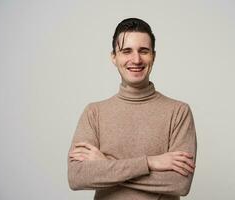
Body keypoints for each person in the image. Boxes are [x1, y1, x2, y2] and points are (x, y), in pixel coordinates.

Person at [68, 18, 197, 200]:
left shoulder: (178, 112)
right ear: (114, 57)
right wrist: (150, 162)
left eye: (143, 51)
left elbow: (179, 184)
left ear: (153, 55)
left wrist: (105, 165)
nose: (136, 59)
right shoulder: (94, 112)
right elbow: (77, 177)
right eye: (126, 51)